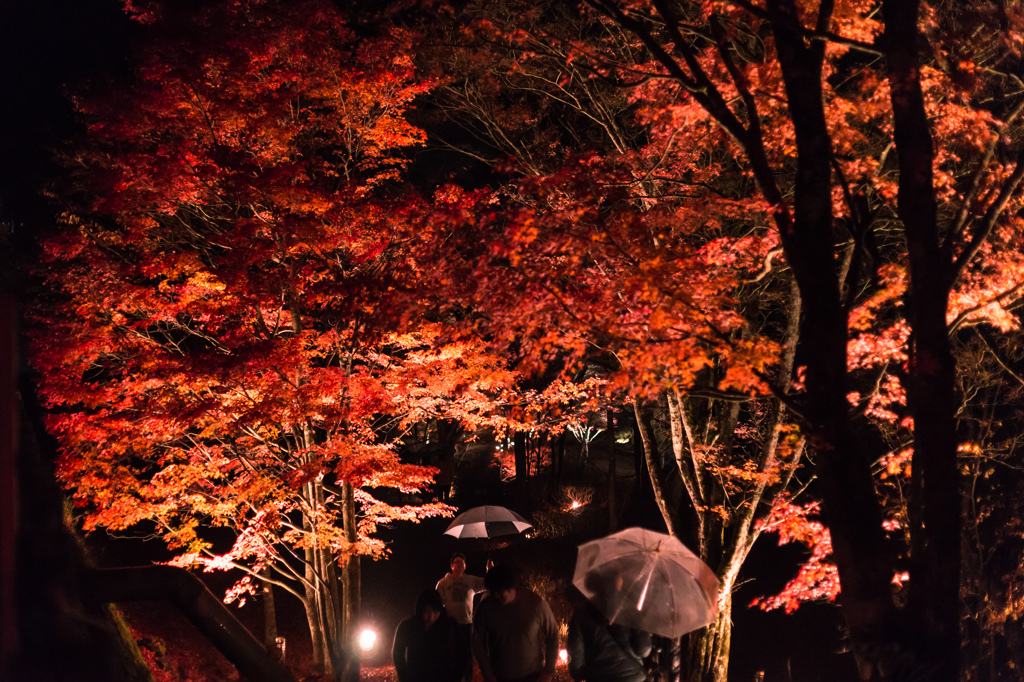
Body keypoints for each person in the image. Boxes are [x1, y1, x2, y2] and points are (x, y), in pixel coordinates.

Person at [472, 563, 559, 682]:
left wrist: (549, 670)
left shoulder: (535, 604)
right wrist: (487, 673)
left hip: (533, 676)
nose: (495, 595)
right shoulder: (486, 608)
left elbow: (552, 634)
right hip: (499, 677)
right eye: (492, 591)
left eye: (499, 591)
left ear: (511, 587)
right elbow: (476, 641)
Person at [566, 594, 651, 682]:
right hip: (632, 678)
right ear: (619, 581)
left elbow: (575, 666)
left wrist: (592, 673)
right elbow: (643, 650)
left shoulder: (581, 614)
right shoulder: (631, 610)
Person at [392, 588, 464, 682]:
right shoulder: (408, 627)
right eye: (427, 612)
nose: (431, 616)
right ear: (419, 610)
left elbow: (462, 653)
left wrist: (456, 677)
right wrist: (404, 677)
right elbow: (397, 654)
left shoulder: (449, 626)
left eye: (435, 612)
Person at [436, 553, 487, 682]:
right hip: (450, 625)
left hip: (466, 624)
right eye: (457, 562)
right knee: (452, 654)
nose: (459, 564)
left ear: (465, 565)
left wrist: (489, 570)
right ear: (452, 566)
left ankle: (467, 678)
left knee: (467, 656)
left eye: (462, 562)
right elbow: (436, 603)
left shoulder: (471, 580)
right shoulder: (443, 583)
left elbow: (488, 584)